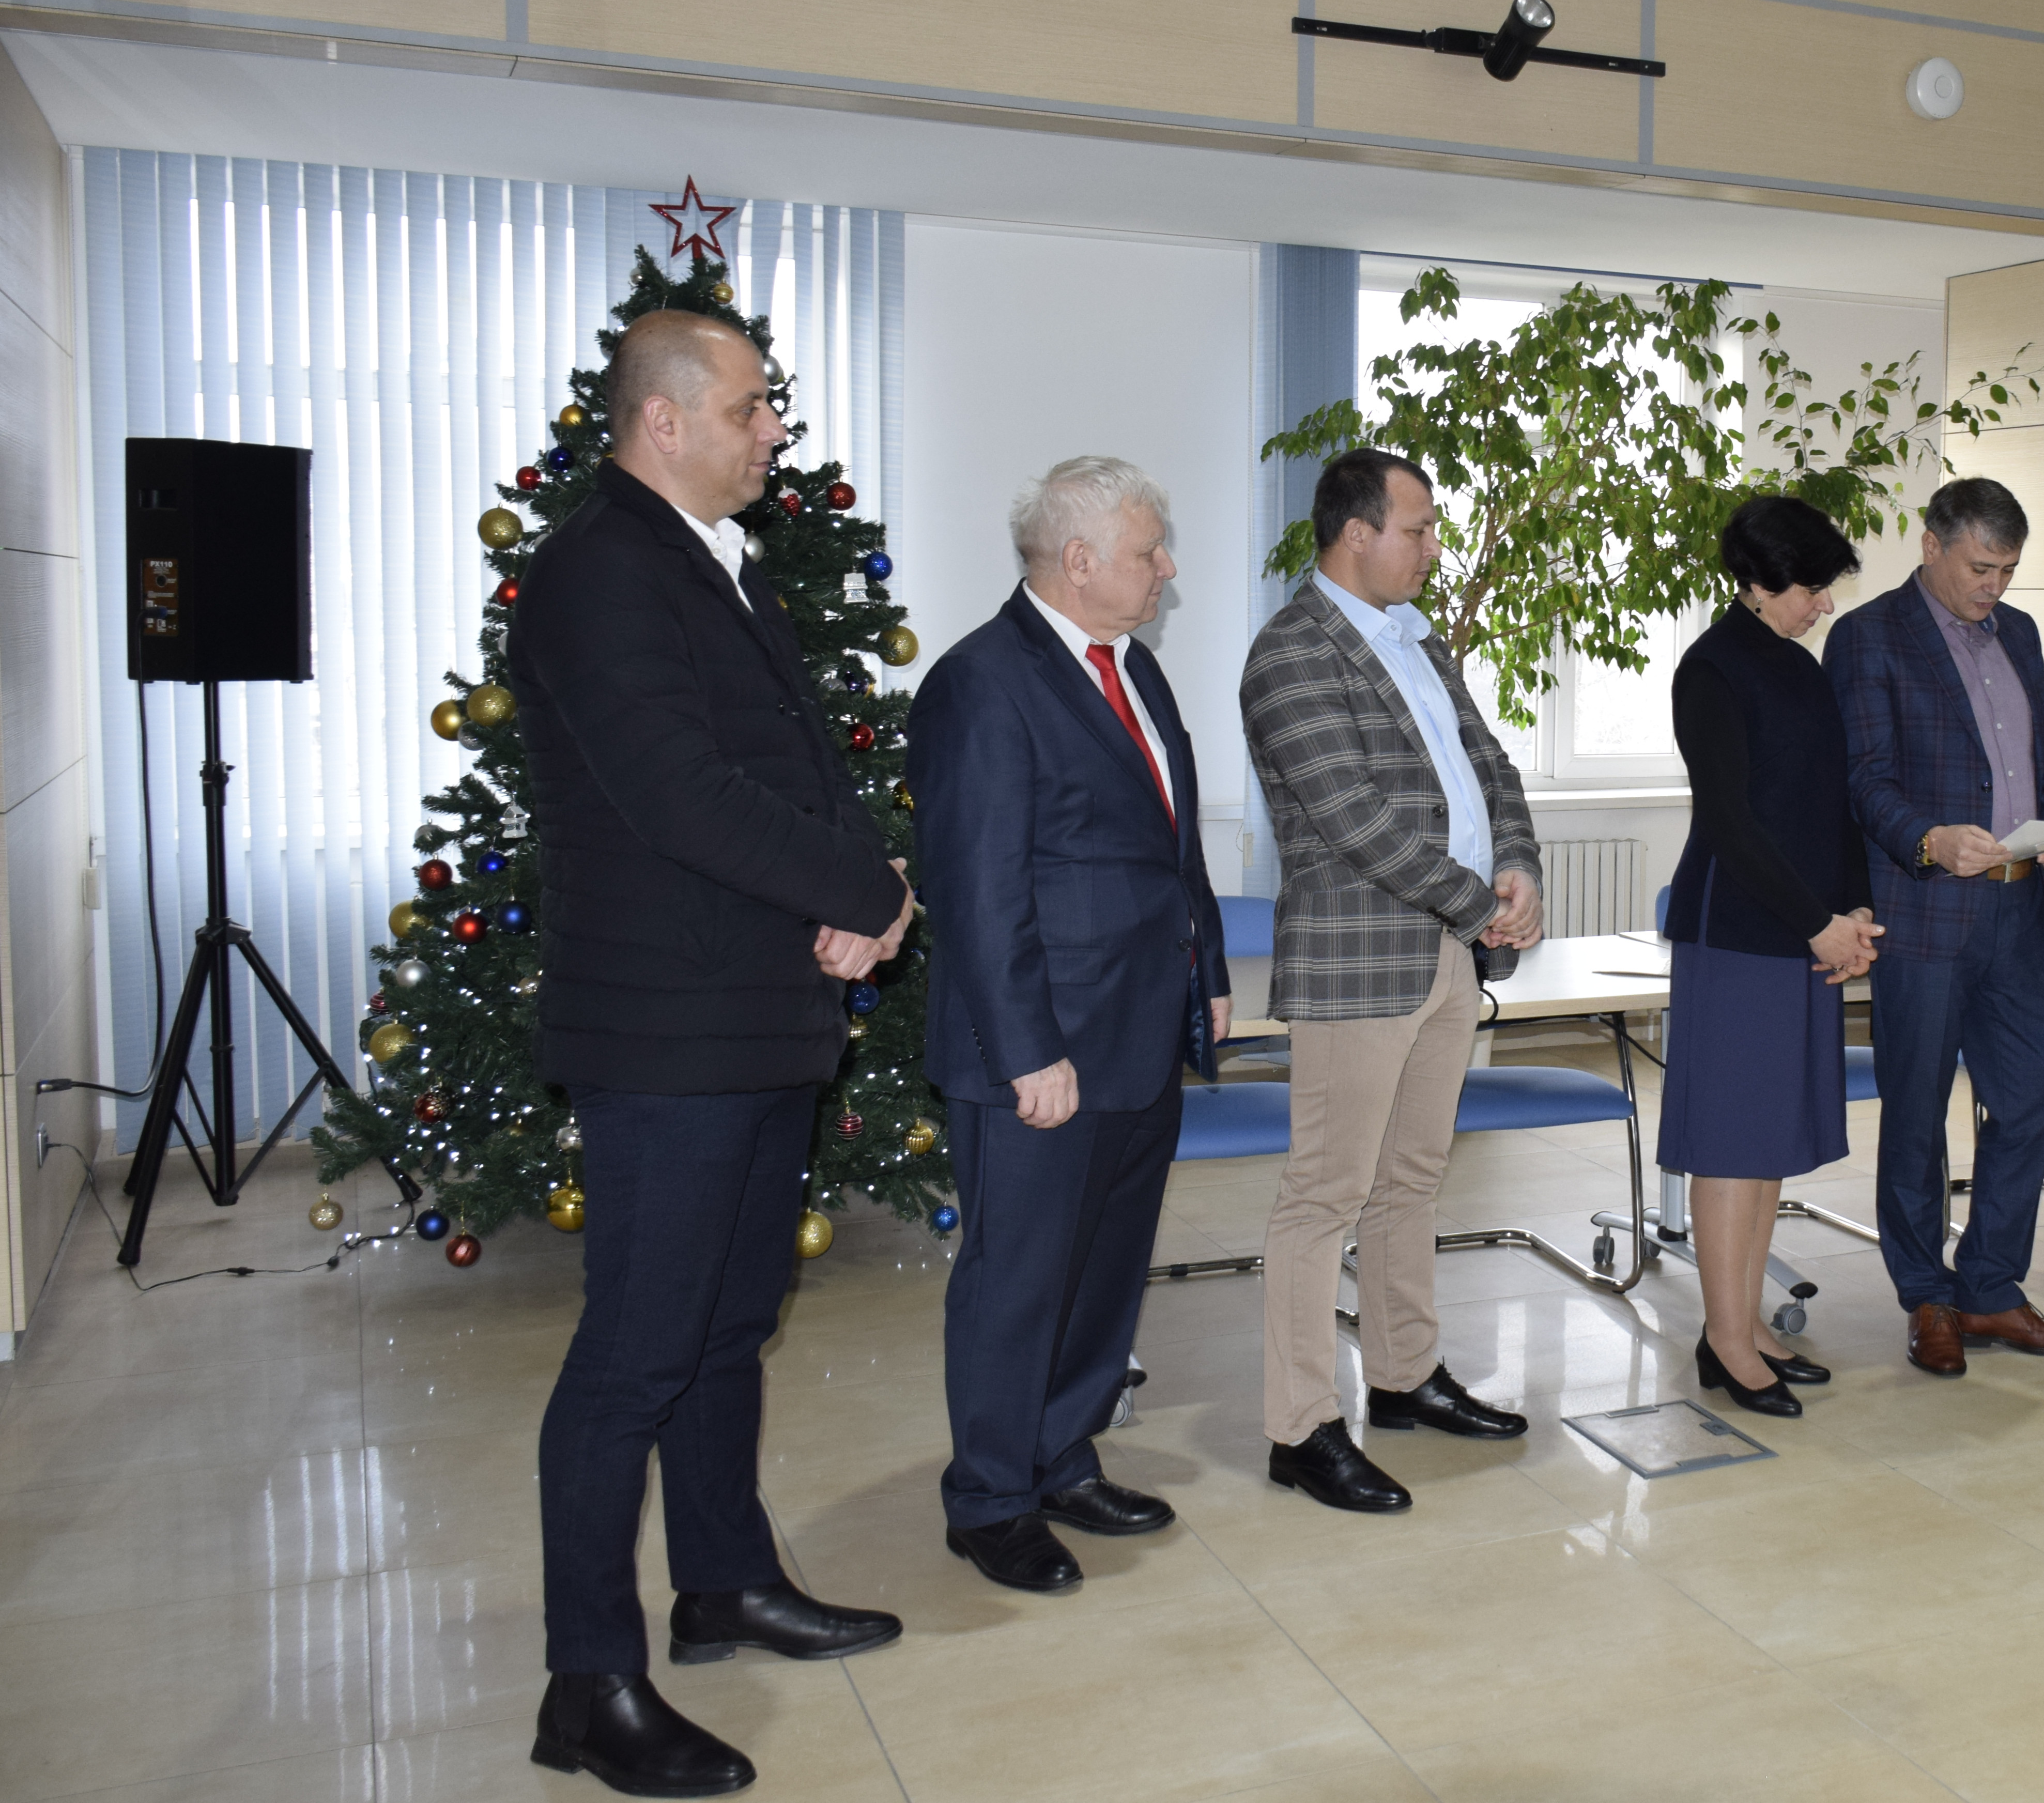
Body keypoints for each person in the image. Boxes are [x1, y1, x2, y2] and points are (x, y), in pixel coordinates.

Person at [512, 310, 913, 1797]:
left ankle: (723, 1582)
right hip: (666, 1027)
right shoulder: (598, 569)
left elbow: (796, 767)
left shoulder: (711, 561)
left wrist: (868, 892)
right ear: (665, 419)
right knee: (636, 1350)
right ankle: (587, 1683)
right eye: (751, 408)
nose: (774, 431)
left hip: (750, 1011)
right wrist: (862, 889)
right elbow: (679, 793)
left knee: (731, 1320)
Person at [908, 457, 1228, 1595]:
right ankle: (991, 1496)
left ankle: (1062, 1455)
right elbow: (977, 888)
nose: (1167, 567)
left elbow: (1175, 842)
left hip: (1140, 1029)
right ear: (1078, 560)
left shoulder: (1134, 669)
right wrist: (1026, 1049)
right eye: (1149, 550)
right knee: (1021, 1276)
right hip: (1042, 1049)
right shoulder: (981, 682)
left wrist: (1207, 969)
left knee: (1103, 1268)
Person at [1241, 448, 1544, 1512]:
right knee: (1324, 1194)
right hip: (1360, 960)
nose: (1433, 547)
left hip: (1446, 953)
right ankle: (1300, 1426)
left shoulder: (1416, 637)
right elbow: (1351, 817)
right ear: (1355, 533)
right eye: (1417, 529)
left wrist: (1518, 865)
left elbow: (1490, 766)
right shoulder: (1293, 651)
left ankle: (1406, 1374)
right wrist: (1478, 900)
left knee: (1411, 1179)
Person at [1826, 475, 2044, 1378]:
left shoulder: (2020, 633)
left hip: (2019, 908)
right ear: (1932, 544)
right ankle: (1926, 1295)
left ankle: (1989, 1285)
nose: (1994, 586)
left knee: (2033, 1097)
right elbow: (1863, 778)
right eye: (1981, 567)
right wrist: (1928, 840)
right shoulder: (1869, 636)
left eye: (2008, 570)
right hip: (1924, 911)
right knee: (1916, 1112)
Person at [1661, 496, 1885, 1415]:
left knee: (1766, 1145)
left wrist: (1855, 905)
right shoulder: (1711, 668)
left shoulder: (1800, 667)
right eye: (1811, 588)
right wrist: (1814, 923)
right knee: (1731, 1142)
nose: (1823, 605)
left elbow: (1834, 802)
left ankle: (1745, 1323)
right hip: (1742, 933)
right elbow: (1731, 822)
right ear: (1757, 583)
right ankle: (1723, 1340)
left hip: (1805, 929)